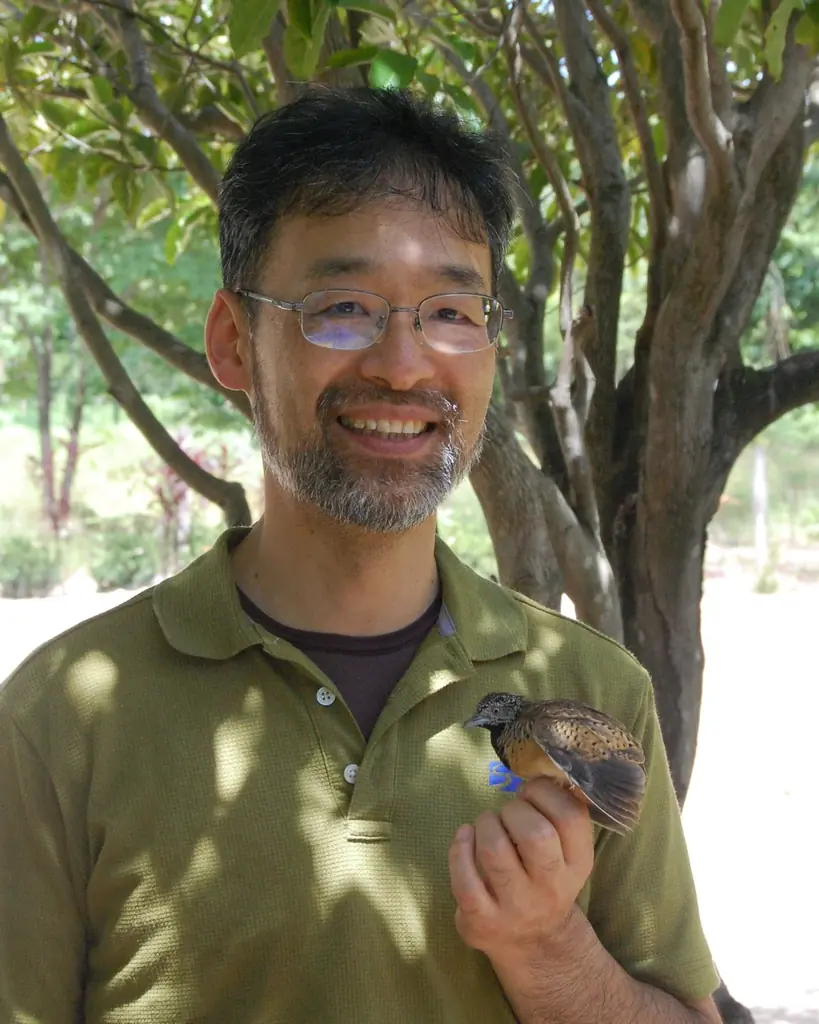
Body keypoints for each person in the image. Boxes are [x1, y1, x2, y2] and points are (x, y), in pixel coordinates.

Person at [0, 87, 721, 1023]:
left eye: (452, 312)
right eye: (342, 306)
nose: (405, 363)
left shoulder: (591, 692)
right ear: (232, 342)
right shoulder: (61, 716)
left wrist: (545, 948)